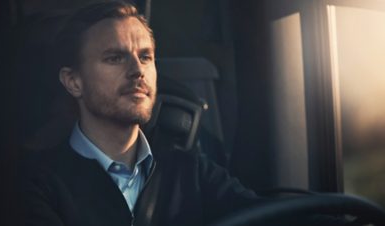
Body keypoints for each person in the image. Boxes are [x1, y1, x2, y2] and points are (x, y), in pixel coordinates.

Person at [19, 1, 264, 226]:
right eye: (115, 58)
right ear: (73, 81)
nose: (138, 70)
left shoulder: (192, 170)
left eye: (146, 57)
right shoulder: (37, 185)